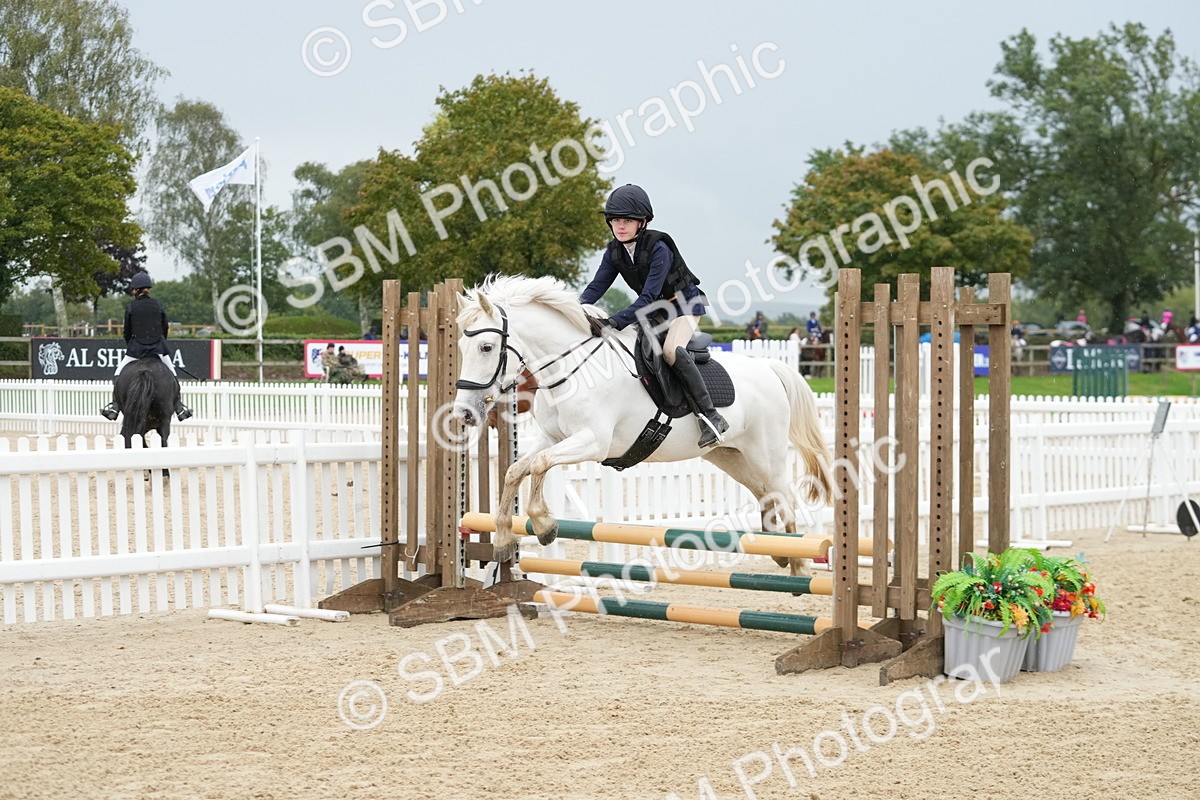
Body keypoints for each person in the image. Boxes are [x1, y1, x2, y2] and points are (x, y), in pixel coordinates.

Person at [578, 183, 728, 448]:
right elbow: (596, 287)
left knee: (670, 351)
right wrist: (574, 310)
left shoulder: (659, 248)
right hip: (655, 311)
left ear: (642, 222)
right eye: (614, 220)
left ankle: (710, 416)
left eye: (627, 220)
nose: (620, 226)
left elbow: (647, 298)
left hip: (683, 306)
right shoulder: (614, 251)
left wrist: (613, 322)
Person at [101, 273, 193, 421]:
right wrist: (159, 343)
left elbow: (127, 332)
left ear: (136, 290)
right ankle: (179, 407)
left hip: (136, 349)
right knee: (172, 373)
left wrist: (132, 346)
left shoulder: (130, 307)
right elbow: (165, 328)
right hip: (158, 348)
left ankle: (115, 407)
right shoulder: (158, 305)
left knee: (119, 373)